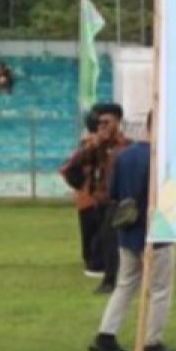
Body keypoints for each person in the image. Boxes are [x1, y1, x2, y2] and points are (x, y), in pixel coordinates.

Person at [87, 112, 175, 351]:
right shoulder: (162, 159)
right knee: (160, 289)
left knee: (124, 285)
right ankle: (152, 341)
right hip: (157, 232)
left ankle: (106, 333)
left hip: (127, 232)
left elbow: (114, 193)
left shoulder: (124, 156)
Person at [76, 103, 130, 293]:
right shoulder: (92, 146)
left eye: (106, 122)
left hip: (117, 200)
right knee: (97, 244)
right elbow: (72, 166)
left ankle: (111, 280)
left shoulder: (125, 146)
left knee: (111, 238)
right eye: (99, 123)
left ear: (118, 122)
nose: (102, 127)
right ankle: (109, 276)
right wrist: (95, 144)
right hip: (94, 200)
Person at [60, 110, 106, 276]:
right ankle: (95, 264)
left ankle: (90, 261)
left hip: (84, 197)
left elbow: (66, 168)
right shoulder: (93, 146)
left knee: (89, 232)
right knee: (98, 232)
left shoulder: (82, 145)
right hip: (93, 196)